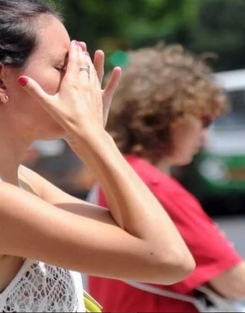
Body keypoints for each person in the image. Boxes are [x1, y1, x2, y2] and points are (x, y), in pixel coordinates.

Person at [0, 1, 195, 312]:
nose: (78, 82)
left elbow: (133, 231)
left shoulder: (20, 182)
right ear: (0, 80)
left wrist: (88, 135)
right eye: (62, 67)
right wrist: (95, 137)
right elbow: (169, 260)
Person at [87, 44, 245, 312]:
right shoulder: (153, 187)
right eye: (203, 120)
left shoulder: (115, 175)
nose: (205, 137)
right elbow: (234, 281)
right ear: (170, 117)